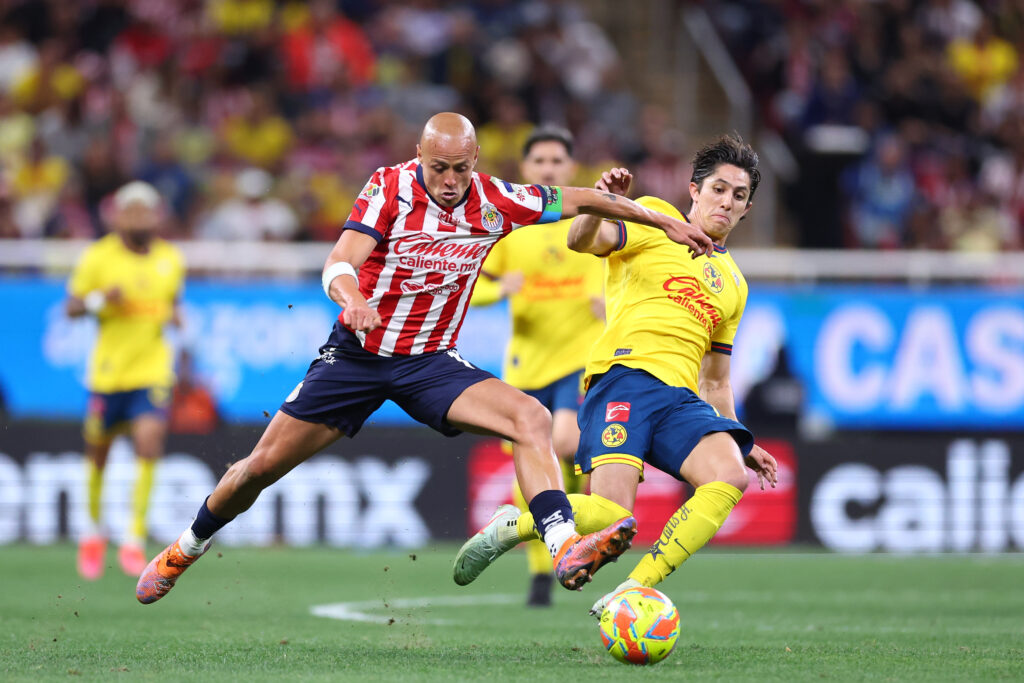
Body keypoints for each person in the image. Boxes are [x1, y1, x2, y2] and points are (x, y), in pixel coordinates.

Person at [136, 112, 714, 604]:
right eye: (439, 168)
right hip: (358, 356)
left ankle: (562, 548)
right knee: (258, 470)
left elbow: (581, 199)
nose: (450, 180)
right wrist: (353, 297)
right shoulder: (388, 188)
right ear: (420, 157)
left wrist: (663, 219)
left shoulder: (496, 200)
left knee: (530, 419)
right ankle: (187, 545)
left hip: (431, 363)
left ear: (475, 160)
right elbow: (339, 261)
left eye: (461, 168)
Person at [452, 135, 779, 618]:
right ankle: (516, 525)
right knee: (612, 521)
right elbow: (580, 240)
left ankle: (632, 590)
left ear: (747, 208)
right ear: (694, 190)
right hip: (624, 380)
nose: (726, 202)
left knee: (728, 474)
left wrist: (742, 439)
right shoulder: (652, 220)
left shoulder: (734, 283)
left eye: (738, 196)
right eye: (718, 189)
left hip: (680, 400)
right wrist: (605, 203)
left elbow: (716, 378)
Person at [470, 125, 602, 607]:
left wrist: (610, 304)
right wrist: (498, 289)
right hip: (526, 367)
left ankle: (553, 546)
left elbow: (627, 278)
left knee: (563, 442)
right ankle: (543, 567)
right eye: (539, 162)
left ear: (571, 169)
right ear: (525, 170)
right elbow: (466, 286)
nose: (548, 168)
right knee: (534, 465)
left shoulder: (588, 225)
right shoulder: (509, 230)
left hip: (578, 362)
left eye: (557, 162)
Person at [66, 181, 185, 579]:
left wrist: (177, 322)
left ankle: (133, 538)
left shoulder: (170, 259)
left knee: (149, 445)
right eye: (130, 211)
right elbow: (71, 308)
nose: (138, 217)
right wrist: (101, 299)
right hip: (108, 373)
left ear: (155, 215)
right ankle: (92, 532)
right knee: (98, 453)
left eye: (144, 211)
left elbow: (173, 306)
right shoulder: (98, 257)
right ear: (117, 215)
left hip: (152, 370)